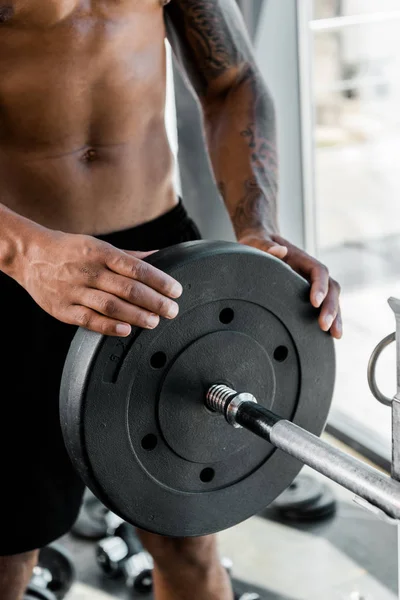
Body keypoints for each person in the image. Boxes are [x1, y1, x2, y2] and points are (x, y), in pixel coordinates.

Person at [0, 1, 342, 599]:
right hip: (18, 269)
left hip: (161, 261)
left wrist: (256, 227)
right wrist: (25, 253)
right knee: (5, 557)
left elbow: (231, 80)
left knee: (188, 535)